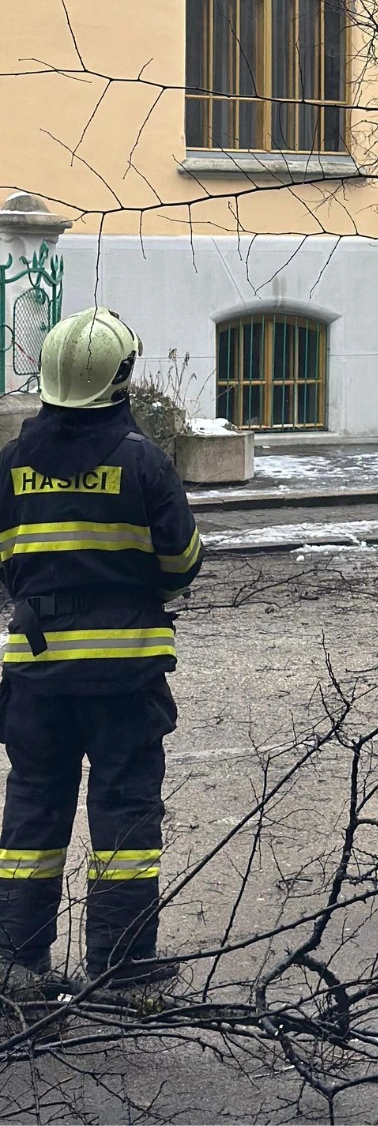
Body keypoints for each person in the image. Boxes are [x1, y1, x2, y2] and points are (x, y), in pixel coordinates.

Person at [0, 309, 203, 994]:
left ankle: (15, 961)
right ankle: (120, 966)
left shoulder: (11, 464)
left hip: (37, 675)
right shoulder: (142, 461)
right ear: (118, 378)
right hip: (125, 675)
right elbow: (181, 564)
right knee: (124, 817)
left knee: (32, 811)